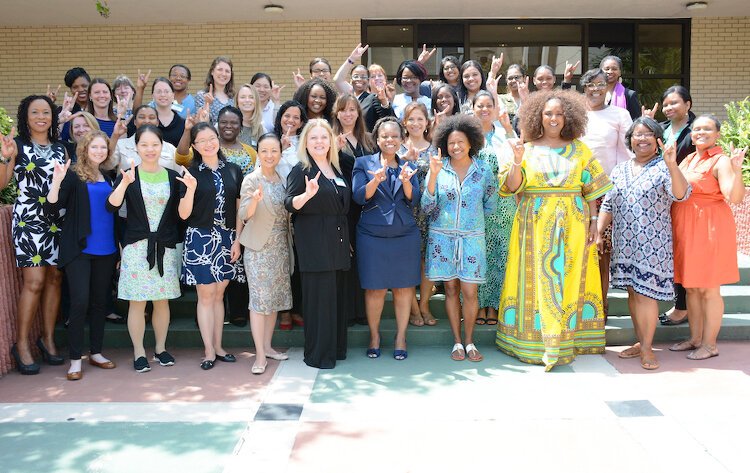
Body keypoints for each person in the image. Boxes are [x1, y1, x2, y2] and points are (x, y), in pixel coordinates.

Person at [496, 89, 613, 371]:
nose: (554, 118)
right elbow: (511, 187)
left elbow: (592, 191)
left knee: (569, 278)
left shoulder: (580, 150)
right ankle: (533, 342)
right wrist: (516, 159)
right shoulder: (526, 148)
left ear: (568, 117)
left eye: (559, 113)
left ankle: (565, 340)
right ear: (538, 116)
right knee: (534, 279)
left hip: (573, 226)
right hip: (533, 226)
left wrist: (594, 221)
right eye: (548, 113)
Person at [597, 117, 690, 370]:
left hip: (654, 245)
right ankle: (641, 341)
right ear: (630, 140)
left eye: (648, 134)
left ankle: (648, 348)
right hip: (625, 244)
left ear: (658, 140)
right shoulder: (620, 169)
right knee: (632, 294)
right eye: (637, 134)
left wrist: (672, 166)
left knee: (645, 295)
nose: (642, 138)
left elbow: (680, 194)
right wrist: (597, 232)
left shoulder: (664, 167)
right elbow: (608, 204)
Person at [422, 114, 498, 362]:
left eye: (460, 142)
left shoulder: (483, 170)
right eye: (451, 143)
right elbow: (427, 207)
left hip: (472, 239)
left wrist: (470, 221)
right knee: (451, 289)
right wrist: (432, 176)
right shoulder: (438, 168)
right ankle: (457, 342)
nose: (456, 147)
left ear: (471, 142)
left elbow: (490, 203)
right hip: (442, 240)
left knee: (470, 292)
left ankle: (470, 341)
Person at [106, 125, 182, 372]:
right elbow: (112, 206)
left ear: (162, 147)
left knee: (162, 301)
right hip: (136, 247)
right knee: (137, 302)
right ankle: (139, 352)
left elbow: (180, 215)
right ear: (136, 147)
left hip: (165, 246)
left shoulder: (172, 176)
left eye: (155, 144)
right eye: (144, 145)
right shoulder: (128, 174)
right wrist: (124, 183)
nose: (150, 149)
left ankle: (161, 348)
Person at [669, 115, 746, 360]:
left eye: (707, 129)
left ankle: (710, 344)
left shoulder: (721, 160)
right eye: (696, 129)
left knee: (709, 290)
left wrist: (736, 170)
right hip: (685, 225)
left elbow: (733, 198)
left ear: (717, 134)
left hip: (710, 226)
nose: (700, 132)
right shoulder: (689, 158)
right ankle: (695, 339)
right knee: (691, 288)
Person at [0, 95, 66, 374]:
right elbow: (2, 183)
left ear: (52, 117)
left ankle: (48, 338)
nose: (41, 116)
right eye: (35, 112)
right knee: (35, 281)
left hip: (58, 221)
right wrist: (5, 156)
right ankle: (22, 343)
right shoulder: (18, 146)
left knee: (54, 278)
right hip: (29, 221)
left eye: (46, 112)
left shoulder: (62, 148)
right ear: (25, 117)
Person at [46, 130, 119, 380]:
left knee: (100, 303)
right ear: (85, 149)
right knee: (79, 303)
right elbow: (53, 208)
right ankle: (76, 360)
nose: (99, 151)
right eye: (94, 147)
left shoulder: (110, 177)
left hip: (107, 250)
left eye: (103, 148)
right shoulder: (73, 176)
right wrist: (56, 182)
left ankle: (96, 352)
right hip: (80, 250)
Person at [284, 119, 351, 369]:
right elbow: (289, 204)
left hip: (338, 242)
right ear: (306, 143)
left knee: (335, 299)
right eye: (314, 138)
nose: (319, 142)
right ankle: (318, 354)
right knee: (319, 301)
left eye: (324, 137)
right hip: (314, 243)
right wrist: (307, 194)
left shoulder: (338, 168)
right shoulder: (300, 170)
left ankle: (335, 349)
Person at [353, 117, 420, 360]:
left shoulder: (408, 165)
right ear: (377, 139)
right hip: (372, 234)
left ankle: (401, 336)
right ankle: (374, 336)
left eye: (394, 136)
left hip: (404, 234)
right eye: (385, 136)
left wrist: (406, 182)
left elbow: (415, 199)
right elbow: (359, 197)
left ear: (402, 139)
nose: (389, 140)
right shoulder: (363, 163)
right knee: (375, 290)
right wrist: (375, 179)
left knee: (404, 289)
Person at [178, 122, 243, 370]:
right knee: (205, 296)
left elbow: (239, 209)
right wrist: (191, 190)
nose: (208, 143)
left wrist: (237, 239)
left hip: (227, 238)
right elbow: (183, 214)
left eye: (211, 137)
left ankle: (218, 346)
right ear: (194, 146)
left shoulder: (234, 170)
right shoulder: (190, 173)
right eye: (201, 140)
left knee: (219, 295)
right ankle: (208, 351)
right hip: (200, 239)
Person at [579, 68, 633, 315]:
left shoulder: (619, 115)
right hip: (576, 193)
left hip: (607, 192)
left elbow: (629, 151)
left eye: (600, 84)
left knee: (601, 251)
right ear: (584, 88)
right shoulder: (575, 115)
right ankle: (578, 305)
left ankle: (601, 304)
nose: (596, 89)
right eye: (590, 84)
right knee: (577, 251)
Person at [238, 133, 293, 374]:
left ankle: (268, 346)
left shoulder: (283, 179)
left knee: (274, 301)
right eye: (264, 151)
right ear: (258, 153)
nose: (269, 155)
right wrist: (254, 201)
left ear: (280, 153)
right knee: (259, 302)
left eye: (274, 151)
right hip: (258, 248)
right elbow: (243, 215)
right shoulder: (251, 179)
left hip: (281, 245)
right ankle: (259, 355)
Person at [471, 91, 517, 326]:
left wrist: (509, 130)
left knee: (500, 255)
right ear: (473, 108)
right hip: (475, 205)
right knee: (479, 256)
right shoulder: (466, 136)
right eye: (480, 105)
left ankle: (496, 305)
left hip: (504, 203)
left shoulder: (504, 134)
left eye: (489, 105)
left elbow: (519, 160)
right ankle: (477, 305)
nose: (485, 109)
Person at [332, 94, 375, 327]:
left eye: (352, 109)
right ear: (336, 113)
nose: (348, 114)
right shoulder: (331, 139)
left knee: (364, 258)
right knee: (347, 258)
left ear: (358, 113)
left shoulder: (368, 140)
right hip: (345, 207)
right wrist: (334, 152)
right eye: (343, 110)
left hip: (368, 207)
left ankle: (364, 312)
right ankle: (349, 312)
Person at [658, 85, 696, 326]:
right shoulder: (660, 130)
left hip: (687, 199)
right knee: (672, 251)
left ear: (688, 105)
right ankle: (679, 302)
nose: (669, 108)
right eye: (666, 104)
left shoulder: (695, 131)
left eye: (674, 103)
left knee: (684, 252)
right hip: (663, 199)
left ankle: (683, 307)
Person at [399, 102, 438, 326]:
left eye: (420, 119)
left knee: (426, 261)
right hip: (404, 212)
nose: (415, 123)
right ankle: (413, 308)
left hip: (429, 212)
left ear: (427, 122)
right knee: (407, 261)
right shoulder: (398, 148)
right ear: (404, 122)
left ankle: (424, 305)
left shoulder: (434, 148)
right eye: (411, 119)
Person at [111, 105, 179, 173]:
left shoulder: (170, 148)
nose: (147, 121)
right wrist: (115, 136)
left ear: (157, 122)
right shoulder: (120, 145)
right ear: (134, 122)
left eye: (151, 118)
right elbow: (108, 165)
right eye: (142, 117)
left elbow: (179, 174)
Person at [195, 56, 235, 125]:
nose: (223, 74)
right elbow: (200, 124)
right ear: (212, 72)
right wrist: (207, 104)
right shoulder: (202, 95)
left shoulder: (234, 97)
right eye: (220, 70)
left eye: (227, 71)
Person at [274, 100, 308, 183]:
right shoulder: (270, 141)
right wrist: (280, 149)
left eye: (296, 117)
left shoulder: (306, 144)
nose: (290, 120)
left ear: (301, 123)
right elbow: (260, 168)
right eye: (287, 116)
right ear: (280, 118)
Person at [600, 55, 641, 120]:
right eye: (607, 69)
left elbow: (636, 121)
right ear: (601, 71)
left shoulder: (629, 95)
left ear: (620, 72)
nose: (610, 72)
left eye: (614, 69)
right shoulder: (595, 94)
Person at [235, 83, 266, 148]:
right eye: (243, 97)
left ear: (256, 101)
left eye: (251, 97)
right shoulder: (226, 125)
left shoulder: (261, 130)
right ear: (237, 101)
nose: (247, 100)